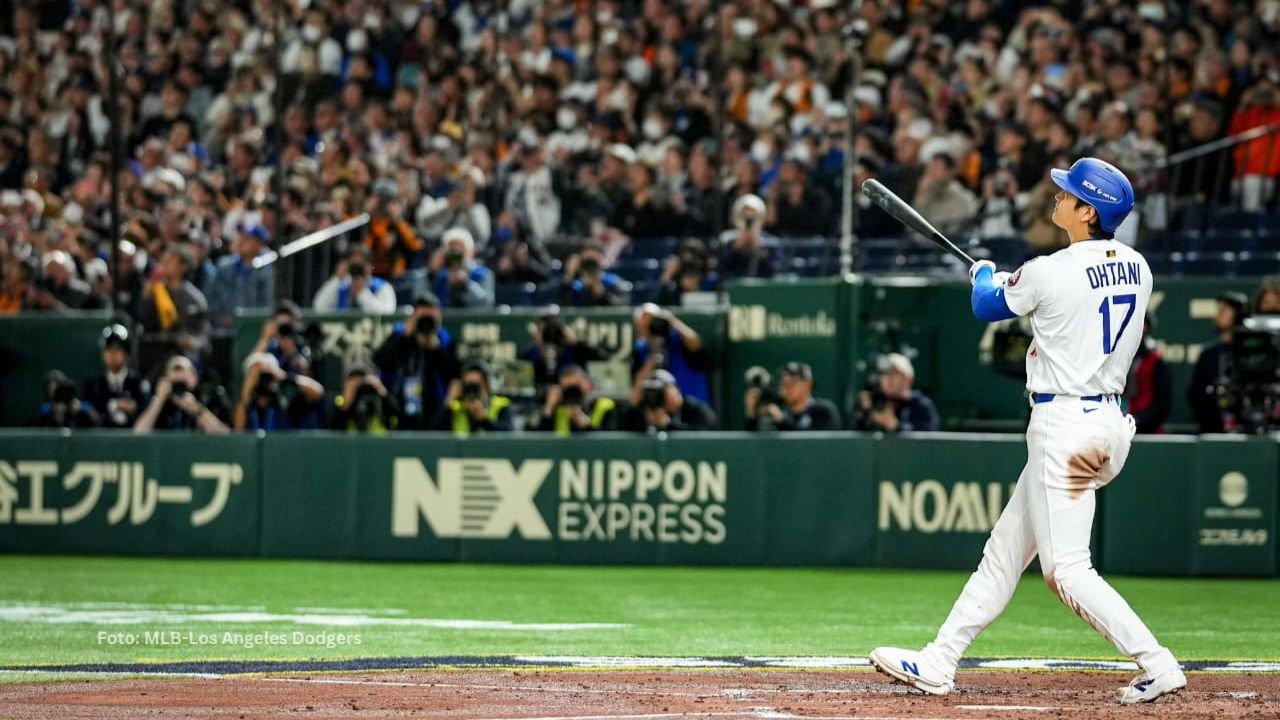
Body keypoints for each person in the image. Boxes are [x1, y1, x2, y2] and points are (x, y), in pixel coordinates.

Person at [871, 158, 1185, 705]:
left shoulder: (1049, 269)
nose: (1056, 198)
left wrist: (985, 273)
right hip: (1108, 423)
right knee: (1005, 551)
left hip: (1064, 428)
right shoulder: (1138, 265)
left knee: (1067, 570)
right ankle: (940, 660)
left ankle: (1157, 663)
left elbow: (985, 305)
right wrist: (1003, 281)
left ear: (1089, 211)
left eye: (1068, 195)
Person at [372, 293, 460, 430]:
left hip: (435, 411)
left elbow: (454, 375)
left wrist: (435, 348)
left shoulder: (444, 339)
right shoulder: (400, 335)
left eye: (430, 317)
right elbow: (382, 362)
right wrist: (406, 336)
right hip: (401, 409)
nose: (426, 322)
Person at [1186, 291, 1248, 434]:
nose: (1217, 316)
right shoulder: (1208, 354)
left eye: (1223, 311)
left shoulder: (1250, 354)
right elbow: (1195, 395)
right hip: (1213, 429)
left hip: (1246, 429)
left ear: (1238, 315)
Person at [631, 303, 710, 405]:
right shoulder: (640, 349)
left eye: (651, 322)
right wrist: (651, 362)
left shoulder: (678, 340)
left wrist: (672, 321)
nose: (649, 329)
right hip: (661, 409)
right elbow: (637, 386)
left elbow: (696, 345)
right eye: (644, 325)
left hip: (692, 404)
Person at [133, 355, 230, 434]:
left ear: (194, 377)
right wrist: (159, 400)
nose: (179, 378)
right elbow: (139, 433)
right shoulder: (161, 402)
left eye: (183, 371)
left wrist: (197, 409)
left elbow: (224, 434)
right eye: (175, 372)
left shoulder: (208, 396)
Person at [232, 352, 325, 432]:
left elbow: (318, 392)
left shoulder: (284, 398)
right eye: (259, 376)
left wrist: (284, 376)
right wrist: (247, 387)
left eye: (266, 375)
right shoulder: (247, 404)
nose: (263, 380)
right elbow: (238, 431)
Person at [82, 324, 151, 429]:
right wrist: (114, 404)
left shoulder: (138, 383)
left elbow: (144, 409)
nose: (112, 354)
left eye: (117, 349)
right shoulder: (94, 385)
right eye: (108, 350)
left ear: (126, 353)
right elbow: (89, 411)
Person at [206, 224, 275, 327]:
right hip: (222, 327)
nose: (241, 241)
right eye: (241, 237)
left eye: (248, 239)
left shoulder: (266, 271)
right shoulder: (224, 266)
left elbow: (266, 305)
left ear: (259, 244)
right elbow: (213, 297)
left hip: (252, 327)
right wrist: (219, 317)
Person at [855, 354, 939, 433]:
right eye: (884, 373)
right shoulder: (876, 402)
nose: (887, 378)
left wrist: (896, 426)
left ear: (907, 379)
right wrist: (866, 414)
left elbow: (928, 441)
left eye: (893, 374)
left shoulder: (921, 405)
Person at [745, 362, 841, 431]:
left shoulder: (824, 410)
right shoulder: (780, 411)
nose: (787, 388)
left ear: (808, 385)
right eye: (783, 384)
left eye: (793, 383)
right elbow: (755, 446)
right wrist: (751, 414)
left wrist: (781, 421)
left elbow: (815, 444)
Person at [521, 312, 603, 388]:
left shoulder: (575, 350)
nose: (548, 336)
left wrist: (576, 342)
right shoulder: (532, 354)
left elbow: (601, 358)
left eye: (550, 331)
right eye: (542, 331)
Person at [431, 359, 512, 436]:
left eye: (475, 386)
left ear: (486, 385)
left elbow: (508, 434)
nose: (471, 391)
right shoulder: (455, 408)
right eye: (468, 386)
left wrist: (484, 420)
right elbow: (433, 434)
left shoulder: (500, 405)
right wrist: (448, 401)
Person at [623, 369, 717, 433]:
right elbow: (621, 431)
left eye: (662, 390)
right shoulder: (645, 410)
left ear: (676, 389)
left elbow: (703, 437)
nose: (657, 396)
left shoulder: (697, 410)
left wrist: (669, 425)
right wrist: (633, 407)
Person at [536, 364, 619, 435]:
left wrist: (584, 423)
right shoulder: (556, 408)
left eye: (575, 388)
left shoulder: (604, 406)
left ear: (587, 385)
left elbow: (610, 443)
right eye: (567, 389)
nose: (572, 394)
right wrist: (548, 408)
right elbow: (538, 441)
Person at [312, 247, 398, 313]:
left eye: (361, 265)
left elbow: (387, 314)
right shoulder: (341, 286)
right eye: (354, 265)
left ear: (369, 266)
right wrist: (336, 278)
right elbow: (318, 307)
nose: (357, 270)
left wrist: (362, 293)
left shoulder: (383, 287)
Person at [1127, 315, 1172, 434]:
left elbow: (1161, 406)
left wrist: (1137, 421)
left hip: (1146, 431)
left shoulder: (1156, 361)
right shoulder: (1112, 357)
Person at [428, 228, 495, 308]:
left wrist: (466, 284)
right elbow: (424, 301)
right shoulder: (441, 275)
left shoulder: (483, 274)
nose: (456, 252)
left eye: (461, 248)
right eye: (452, 248)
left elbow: (486, 304)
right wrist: (431, 273)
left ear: (471, 251)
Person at [328, 363, 399, 434]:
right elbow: (332, 428)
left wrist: (381, 390)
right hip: (351, 443)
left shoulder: (377, 399)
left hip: (378, 442)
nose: (359, 388)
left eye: (362, 383)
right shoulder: (340, 401)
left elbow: (396, 415)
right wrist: (347, 400)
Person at [559, 240, 628, 307]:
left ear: (601, 260)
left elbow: (622, 308)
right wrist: (570, 275)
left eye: (593, 262)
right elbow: (565, 308)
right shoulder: (576, 285)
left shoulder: (613, 282)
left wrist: (603, 295)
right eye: (587, 262)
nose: (590, 267)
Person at [33, 370, 101, 429]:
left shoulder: (82, 406)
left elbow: (97, 423)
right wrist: (57, 417)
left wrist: (80, 411)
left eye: (58, 388)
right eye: (51, 389)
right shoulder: (47, 410)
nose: (55, 392)